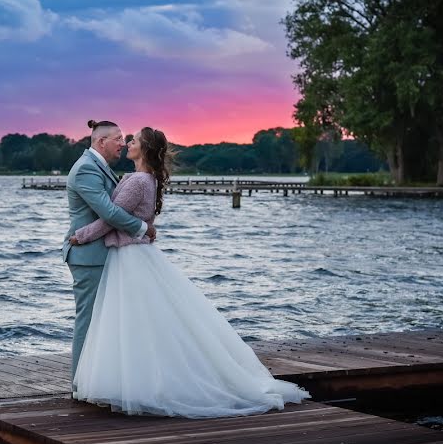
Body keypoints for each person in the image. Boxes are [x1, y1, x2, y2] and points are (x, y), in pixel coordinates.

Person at [69, 127, 310, 418]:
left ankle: (121, 381)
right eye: (123, 139)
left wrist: (82, 234)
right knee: (134, 322)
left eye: (132, 140)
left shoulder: (137, 181)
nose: (127, 143)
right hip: (127, 255)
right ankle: (123, 379)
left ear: (144, 149)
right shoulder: (136, 177)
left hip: (129, 257)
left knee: (133, 322)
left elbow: (110, 217)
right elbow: (114, 213)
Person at [63, 120, 157, 381]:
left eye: (126, 139)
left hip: (101, 251)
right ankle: (80, 384)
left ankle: (100, 380)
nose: (123, 143)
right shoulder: (86, 170)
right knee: (89, 320)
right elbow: (110, 212)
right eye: (117, 138)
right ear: (100, 141)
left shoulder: (100, 167)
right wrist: (143, 228)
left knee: (105, 321)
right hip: (89, 255)